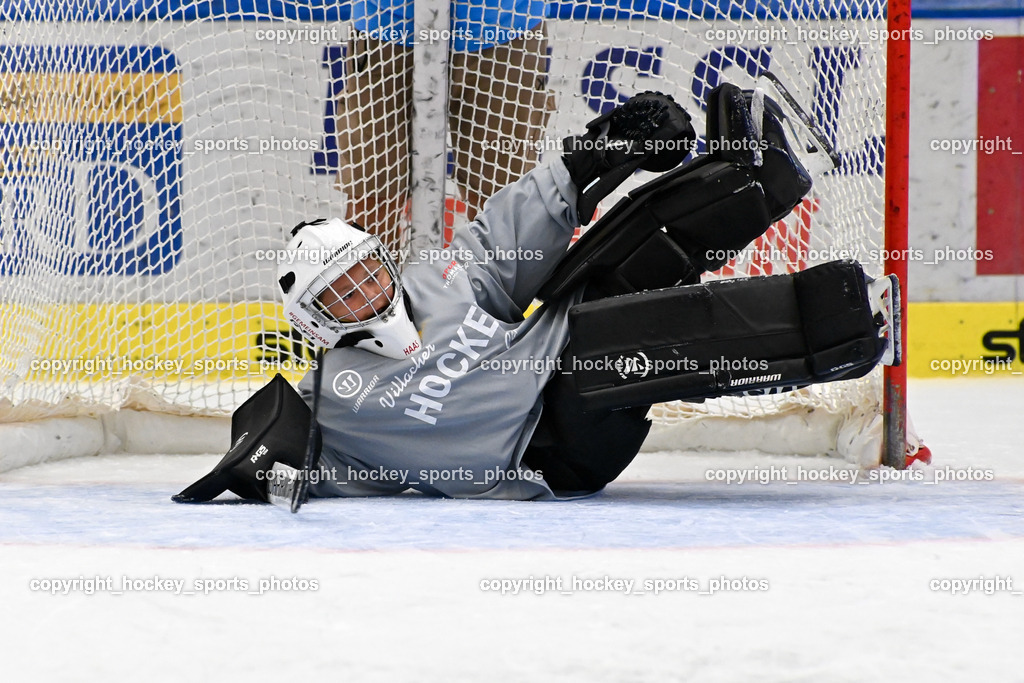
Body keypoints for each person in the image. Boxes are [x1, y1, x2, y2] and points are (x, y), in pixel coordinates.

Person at [173, 86, 899, 505]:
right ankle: (847, 327)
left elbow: (503, 236)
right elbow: (288, 472)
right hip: (553, 450)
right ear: (317, 320)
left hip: (561, 345)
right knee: (623, 340)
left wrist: (602, 149)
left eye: (366, 267)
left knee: (632, 241)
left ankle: (758, 173)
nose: (367, 289)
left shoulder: (432, 283)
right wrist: (251, 474)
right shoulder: (333, 404)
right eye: (343, 291)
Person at [337, 0, 554, 248]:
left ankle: (487, 287)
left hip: (505, 24)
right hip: (388, 25)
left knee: (502, 210)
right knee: (371, 204)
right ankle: (383, 287)